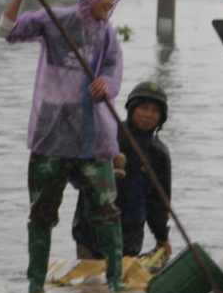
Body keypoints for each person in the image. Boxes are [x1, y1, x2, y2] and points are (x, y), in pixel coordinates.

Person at [0, 0, 125, 293]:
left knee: (107, 211)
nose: (111, 3)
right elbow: (5, 31)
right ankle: (35, 285)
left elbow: (113, 74)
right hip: (52, 135)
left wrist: (104, 87)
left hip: (92, 137)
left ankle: (115, 282)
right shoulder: (55, 21)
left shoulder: (107, 35)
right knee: (41, 214)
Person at [72, 81, 172, 265]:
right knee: (91, 289)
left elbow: (158, 202)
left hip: (129, 239)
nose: (148, 115)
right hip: (91, 233)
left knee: (119, 288)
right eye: (144, 108)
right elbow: (76, 175)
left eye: (155, 111)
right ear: (132, 109)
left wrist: (162, 237)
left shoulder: (159, 155)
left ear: (161, 117)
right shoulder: (108, 136)